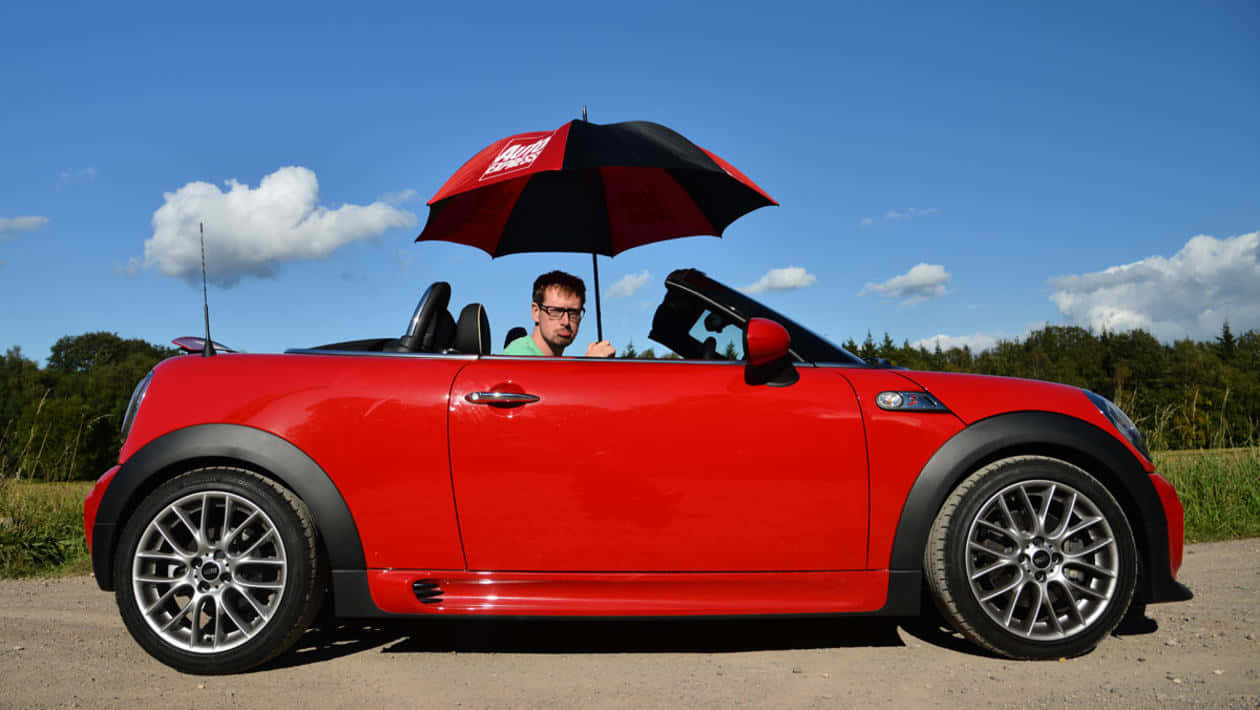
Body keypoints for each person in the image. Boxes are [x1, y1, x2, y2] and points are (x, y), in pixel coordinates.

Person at [502, 270, 615, 357]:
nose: (566, 321)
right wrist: (587, 368)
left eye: (574, 313)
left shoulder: (552, 363)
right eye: (556, 311)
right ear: (536, 312)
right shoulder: (518, 358)